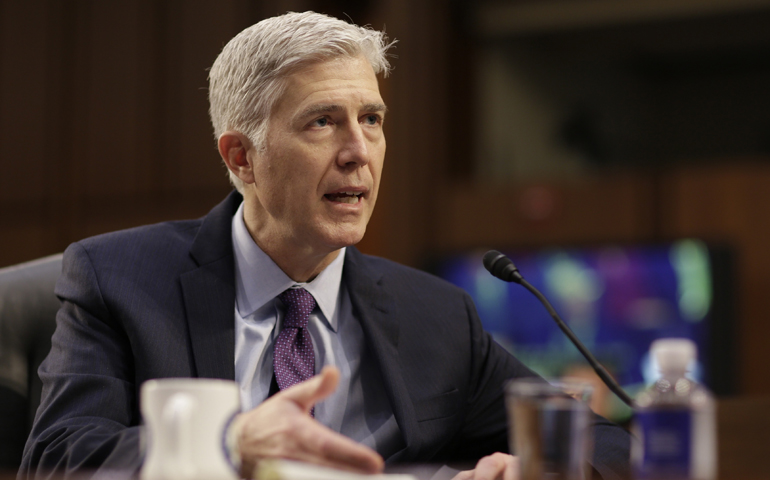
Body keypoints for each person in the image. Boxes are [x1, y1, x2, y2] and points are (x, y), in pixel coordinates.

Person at [19, 11, 630, 480]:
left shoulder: (436, 316)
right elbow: (57, 459)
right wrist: (230, 443)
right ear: (242, 157)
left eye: (371, 119)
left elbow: (606, 441)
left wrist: (539, 467)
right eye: (322, 121)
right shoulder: (120, 279)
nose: (358, 151)